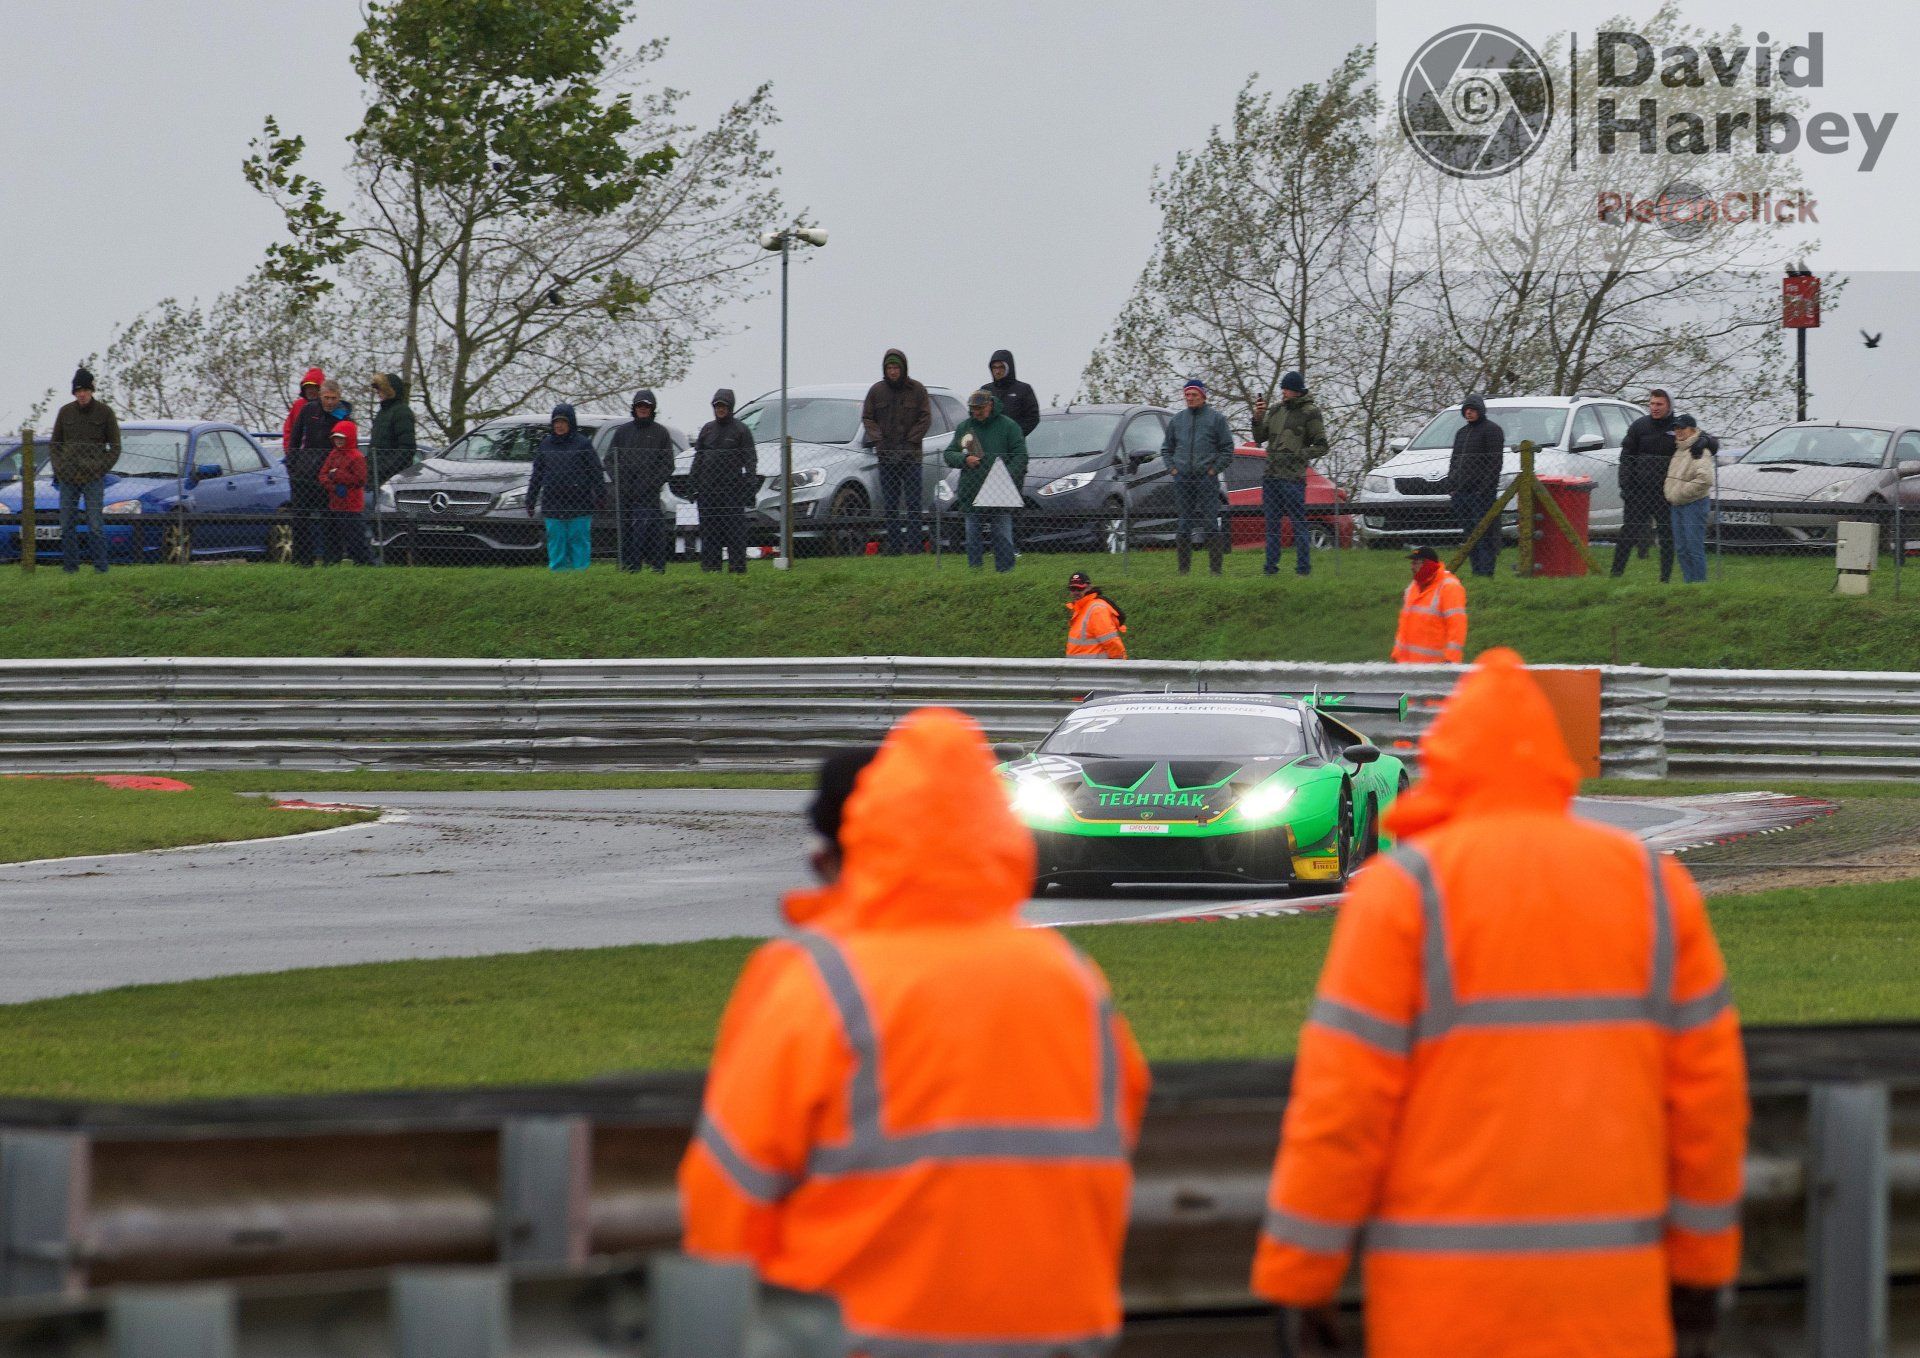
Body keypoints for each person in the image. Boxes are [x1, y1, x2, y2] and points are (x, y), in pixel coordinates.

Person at [1253, 648, 1746, 1358]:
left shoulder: (1407, 894)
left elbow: (1341, 1109)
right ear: (1551, 764)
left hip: (1444, 1315)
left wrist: (1301, 1278)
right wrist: (1702, 1271)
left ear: (1446, 764)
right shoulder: (1651, 888)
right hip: (1614, 1314)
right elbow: (1709, 1106)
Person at [679, 707, 1150, 1358]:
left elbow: (729, 1198)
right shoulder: (1072, 980)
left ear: (845, 850)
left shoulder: (817, 982)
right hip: (1059, 1337)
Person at [1251, 371, 1328, 578]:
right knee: (1272, 525)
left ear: (1295, 390)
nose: (1283, 392)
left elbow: (1322, 446)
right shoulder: (1275, 410)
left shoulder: (1311, 412)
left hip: (1293, 478)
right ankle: (1270, 570)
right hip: (1271, 476)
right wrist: (1257, 417)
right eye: (1282, 389)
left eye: (1286, 389)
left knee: (1299, 525)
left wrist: (1299, 455)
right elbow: (1259, 437)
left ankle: (1303, 570)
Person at [943, 388, 1029, 572]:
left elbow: (1021, 456)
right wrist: (964, 460)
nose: (976, 412)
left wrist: (1004, 477)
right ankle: (976, 574)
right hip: (971, 493)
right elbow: (949, 454)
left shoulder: (1009, 426)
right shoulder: (965, 428)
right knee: (972, 536)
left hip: (999, 494)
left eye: (980, 408)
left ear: (990, 405)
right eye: (973, 409)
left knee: (1003, 536)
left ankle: (1005, 573)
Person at [47, 367, 121, 574]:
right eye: (78, 391)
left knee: (95, 526)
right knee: (66, 526)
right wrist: (59, 468)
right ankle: (70, 568)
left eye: (85, 390)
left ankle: (101, 569)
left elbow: (115, 447)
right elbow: (55, 444)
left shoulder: (105, 413)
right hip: (68, 478)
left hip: (93, 478)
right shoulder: (65, 412)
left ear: (91, 391)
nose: (81, 394)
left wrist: (100, 468)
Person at [1160, 377, 1235, 575]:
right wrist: (1173, 469)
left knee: (1211, 523)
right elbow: (1166, 449)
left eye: (1193, 395)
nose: (1189, 398)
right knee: (1184, 524)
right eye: (1187, 395)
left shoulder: (1216, 419)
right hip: (1182, 479)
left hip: (1206, 479)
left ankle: (1215, 571)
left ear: (1203, 396)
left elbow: (1227, 449)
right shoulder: (1177, 420)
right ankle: (1184, 571)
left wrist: (1213, 469)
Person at [860, 349, 931, 556]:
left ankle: (916, 547)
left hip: (911, 457)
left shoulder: (917, 390)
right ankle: (894, 547)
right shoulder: (876, 391)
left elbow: (925, 418)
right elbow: (868, 418)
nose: (893, 372)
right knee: (890, 504)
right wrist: (878, 440)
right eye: (889, 368)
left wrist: (912, 441)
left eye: (896, 367)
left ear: (903, 368)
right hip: (886, 457)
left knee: (913, 503)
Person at [525, 403, 603, 572]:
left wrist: (600, 495)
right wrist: (530, 500)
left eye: (563, 422)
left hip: (580, 505)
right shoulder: (545, 445)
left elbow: (596, 472)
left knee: (578, 541)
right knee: (556, 542)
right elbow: (536, 475)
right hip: (552, 505)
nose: (559, 425)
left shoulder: (583, 445)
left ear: (571, 423)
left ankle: (581, 574)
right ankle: (558, 574)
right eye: (556, 422)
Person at [606, 388, 676, 573]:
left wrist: (651, 483)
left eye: (647, 406)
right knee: (627, 531)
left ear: (652, 409)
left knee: (653, 533)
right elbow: (609, 460)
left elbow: (668, 464)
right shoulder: (622, 432)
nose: (643, 409)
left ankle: (657, 567)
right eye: (640, 405)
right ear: (634, 408)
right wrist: (620, 482)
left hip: (649, 494)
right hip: (626, 494)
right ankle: (630, 567)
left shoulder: (661, 433)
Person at [1615, 389, 1679, 581]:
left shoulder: (1678, 427)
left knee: (1667, 536)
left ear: (1668, 405)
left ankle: (1665, 578)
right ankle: (1615, 575)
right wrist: (1626, 487)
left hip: (1665, 494)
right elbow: (1626, 458)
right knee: (1628, 533)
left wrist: (1704, 441)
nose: (1655, 408)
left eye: (1659, 404)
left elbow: (1700, 439)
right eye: (1652, 404)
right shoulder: (1639, 426)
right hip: (1638, 493)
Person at [691, 388, 756, 574]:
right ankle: (711, 569)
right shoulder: (707, 429)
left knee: (735, 534)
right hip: (707, 492)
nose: (720, 409)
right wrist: (692, 484)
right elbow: (698, 458)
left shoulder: (741, 430)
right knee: (709, 534)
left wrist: (749, 487)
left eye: (723, 406)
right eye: (717, 406)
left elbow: (751, 460)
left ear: (730, 407)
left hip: (732, 492)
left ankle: (737, 569)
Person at [285, 373, 343, 567]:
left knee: (330, 520)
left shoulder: (343, 415)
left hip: (328, 476)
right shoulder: (308, 409)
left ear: (339, 398)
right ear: (321, 395)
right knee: (301, 518)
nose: (329, 402)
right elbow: (294, 438)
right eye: (326, 397)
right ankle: (302, 560)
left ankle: (331, 561)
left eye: (333, 398)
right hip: (304, 473)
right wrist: (292, 465)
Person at [1443, 395, 1504, 578]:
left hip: (1481, 494)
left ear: (1480, 410)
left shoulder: (1492, 431)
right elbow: (1454, 461)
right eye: (1466, 409)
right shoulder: (1461, 433)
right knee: (1469, 535)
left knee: (1484, 534)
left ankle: (1486, 572)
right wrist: (1451, 485)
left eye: (1472, 409)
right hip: (1461, 493)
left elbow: (1494, 463)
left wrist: (1483, 489)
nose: (1469, 412)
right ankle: (1476, 570)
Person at [1666, 414, 1720, 586]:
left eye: (1682, 428)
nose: (1678, 431)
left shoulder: (1699, 451)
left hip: (1694, 505)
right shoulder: (1679, 450)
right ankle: (1689, 584)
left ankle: (1699, 585)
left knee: (1693, 548)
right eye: (1676, 428)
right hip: (1677, 506)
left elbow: (1705, 480)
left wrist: (1680, 492)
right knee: (1681, 549)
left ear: (1692, 429)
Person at [1391, 546, 1467, 665]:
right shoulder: (1413, 588)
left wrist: (1451, 661)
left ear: (1428, 565)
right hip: (1407, 667)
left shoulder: (1449, 587)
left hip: (1437, 670)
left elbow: (1457, 627)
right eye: (1412, 563)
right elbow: (1404, 624)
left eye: (1416, 563)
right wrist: (1397, 654)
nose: (1412, 567)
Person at [317, 420, 373, 566]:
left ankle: (365, 563)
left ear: (349, 437)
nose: (339, 441)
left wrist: (337, 475)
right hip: (336, 503)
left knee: (355, 538)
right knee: (334, 537)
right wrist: (333, 486)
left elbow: (360, 480)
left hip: (352, 506)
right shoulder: (333, 454)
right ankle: (332, 563)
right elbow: (323, 475)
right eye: (336, 438)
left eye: (342, 437)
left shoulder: (356, 456)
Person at [367, 373, 418, 491]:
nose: (378, 392)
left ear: (389, 390)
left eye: (380, 389)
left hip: (393, 479)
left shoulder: (402, 412)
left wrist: (385, 468)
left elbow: (407, 448)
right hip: (376, 478)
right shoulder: (382, 412)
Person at [1065, 571, 1128, 658]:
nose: (1076, 592)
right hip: (1081, 668)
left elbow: (1111, 642)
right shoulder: (1080, 608)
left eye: (1080, 589)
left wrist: (1120, 667)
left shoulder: (1096, 609)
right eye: (1073, 589)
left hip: (1095, 669)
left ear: (1089, 588)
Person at [986, 348, 1041, 436]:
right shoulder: (986, 391)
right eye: (994, 367)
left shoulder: (1024, 389)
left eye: (1001, 367)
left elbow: (1033, 418)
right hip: (990, 445)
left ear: (1009, 368)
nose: (997, 371)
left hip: (1014, 446)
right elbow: (976, 416)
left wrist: (1015, 434)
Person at [282, 368, 324, 450]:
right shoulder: (298, 405)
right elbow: (288, 429)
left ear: (320, 388)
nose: (310, 390)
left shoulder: (326, 405)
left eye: (313, 387)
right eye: (307, 387)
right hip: (299, 454)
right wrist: (289, 451)